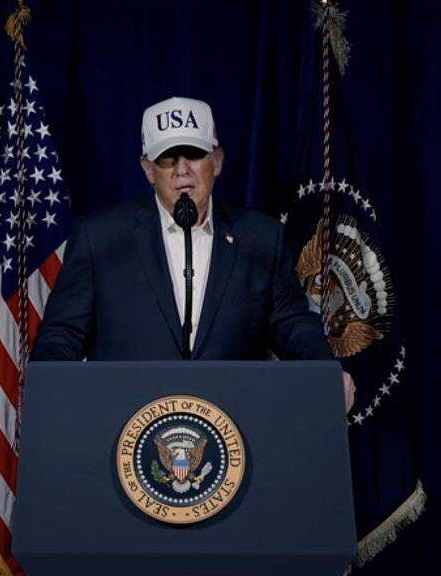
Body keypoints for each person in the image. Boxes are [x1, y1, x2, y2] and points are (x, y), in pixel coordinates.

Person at [30, 96, 355, 411]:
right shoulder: (100, 238)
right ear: (147, 169)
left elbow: (293, 323)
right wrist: (48, 389)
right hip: (126, 426)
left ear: (217, 162)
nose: (182, 171)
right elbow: (63, 334)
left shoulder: (261, 239)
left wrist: (326, 372)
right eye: (167, 159)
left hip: (233, 424)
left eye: (194, 155)